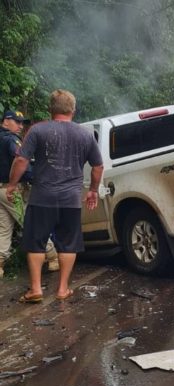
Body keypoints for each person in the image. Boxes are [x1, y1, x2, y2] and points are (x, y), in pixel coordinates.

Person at [6, 90, 103, 303]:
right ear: (73, 110)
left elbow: (21, 161)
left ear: (51, 109)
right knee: (69, 243)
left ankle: (35, 289)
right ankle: (62, 289)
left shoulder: (37, 130)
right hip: (70, 200)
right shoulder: (85, 134)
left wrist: (12, 185)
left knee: (35, 242)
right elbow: (98, 165)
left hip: (42, 197)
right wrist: (94, 190)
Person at [0, 111, 59, 278]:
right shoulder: (11, 140)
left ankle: (0, 265)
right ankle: (52, 255)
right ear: (6, 121)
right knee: (31, 222)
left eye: (21, 123)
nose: (20, 126)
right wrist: (35, 178)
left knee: (3, 228)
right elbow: (21, 161)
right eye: (17, 122)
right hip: (14, 190)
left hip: (0, 191)